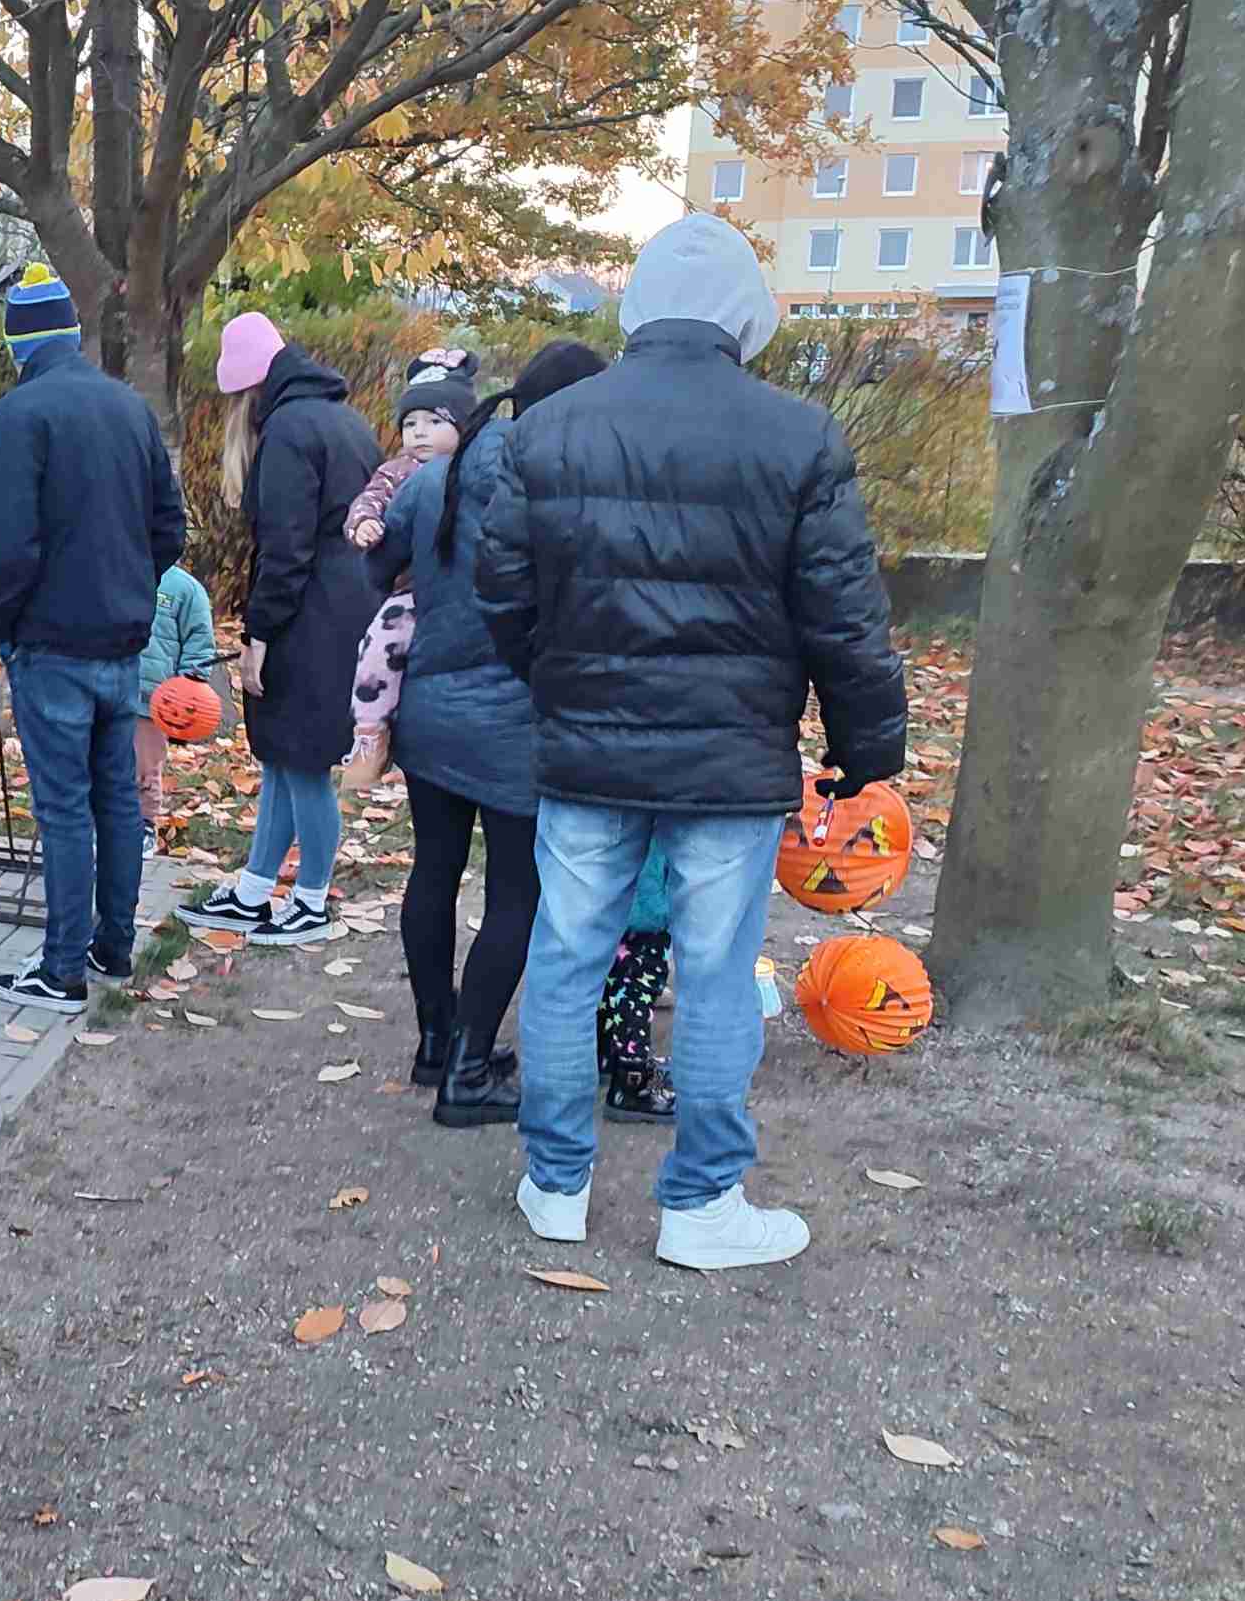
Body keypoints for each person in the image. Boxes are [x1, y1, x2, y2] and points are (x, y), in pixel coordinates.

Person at [480, 214, 905, 1270]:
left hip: (587, 749)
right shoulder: (800, 436)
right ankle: (703, 1203)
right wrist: (866, 750)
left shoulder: (548, 430)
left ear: (636, 305)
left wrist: (563, 683)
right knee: (715, 976)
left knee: (566, 958)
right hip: (732, 759)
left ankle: (556, 1185)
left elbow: (502, 595)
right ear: (744, 316)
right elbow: (845, 618)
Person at [374, 339, 608, 1127]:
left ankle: (436, 1042)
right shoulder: (561, 488)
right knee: (516, 891)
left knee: (433, 870)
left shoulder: (435, 476)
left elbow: (377, 569)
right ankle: (469, 1072)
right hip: (515, 721)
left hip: (430, 710)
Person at [0, 264, 186, 1010]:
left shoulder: (20, 413)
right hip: (121, 641)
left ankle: (62, 970)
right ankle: (112, 949)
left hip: (50, 644)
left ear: (18, 344)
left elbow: (11, 545)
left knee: (65, 808)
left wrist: (2, 624)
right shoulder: (129, 407)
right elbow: (169, 528)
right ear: (72, 334)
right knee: (117, 799)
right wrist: (132, 590)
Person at [177, 311, 379, 947]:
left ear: (246, 387)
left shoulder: (288, 432)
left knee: (304, 765)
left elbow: (286, 551)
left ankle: (311, 901)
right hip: (346, 614)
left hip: (308, 621)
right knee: (285, 761)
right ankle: (255, 889)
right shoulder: (345, 421)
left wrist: (257, 637)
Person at [339, 348, 479, 789]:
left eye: (434, 422)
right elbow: (369, 500)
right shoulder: (397, 472)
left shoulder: (477, 469)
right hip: (409, 591)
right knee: (379, 647)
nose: (419, 432)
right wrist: (364, 524)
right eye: (411, 423)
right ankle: (370, 733)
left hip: (465, 588)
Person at [134, 560, 218, 844]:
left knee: (145, 767)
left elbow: (199, 643)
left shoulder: (185, 588)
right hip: (110, 687)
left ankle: (144, 824)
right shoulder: (118, 568)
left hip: (154, 700)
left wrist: (189, 685)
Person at [599, 853, 677, 1124]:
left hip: (614, 892)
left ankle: (608, 1055)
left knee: (614, 976)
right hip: (646, 902)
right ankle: (632, 1083)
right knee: (639, 985)